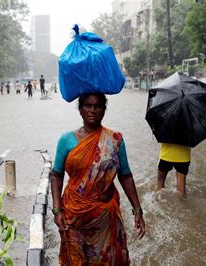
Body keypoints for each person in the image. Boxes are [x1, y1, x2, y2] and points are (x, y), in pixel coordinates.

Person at [51, 93, 146, 265]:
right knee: (76, 260)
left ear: (104, 110)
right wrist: (57, 210)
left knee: (107, 260)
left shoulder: (115, 140)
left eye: (98, 106)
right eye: (88, 105)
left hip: (104, 217)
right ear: (80, 109)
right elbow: (56, 175)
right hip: (73, 216)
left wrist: (137, 210)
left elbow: (125, 175)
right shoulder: (66, 141)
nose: (93, 110)